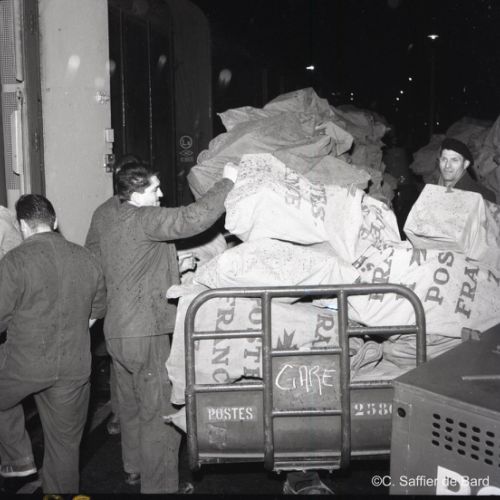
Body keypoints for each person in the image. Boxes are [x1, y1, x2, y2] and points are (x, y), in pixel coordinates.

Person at [84, 156, 238, 494]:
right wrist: (227, 182)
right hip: (146, 330)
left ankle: (134, 469)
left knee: (131, 406)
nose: (161, 194)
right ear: (137, 194)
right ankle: (161, 488)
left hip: (117, 331)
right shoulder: (145, 217)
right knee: (160, 412)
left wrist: (170, 265)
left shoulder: (108, 218)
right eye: (155, 189)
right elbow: (192, 218)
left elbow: (118, 263)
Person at [0, 194, 106, 493]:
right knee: (65, 444)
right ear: (55, 221)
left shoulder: (15, 260)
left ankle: (18, 459)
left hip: (24, 364)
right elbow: (96, 312)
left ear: (23, 225)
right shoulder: (87, 258)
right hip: (74, 365)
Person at [432, 137, 496, 203]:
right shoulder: (432, 188)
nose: (447, 165)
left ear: (465, 164)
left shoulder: (482, 197)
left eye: (454, 160)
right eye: (444, 159)